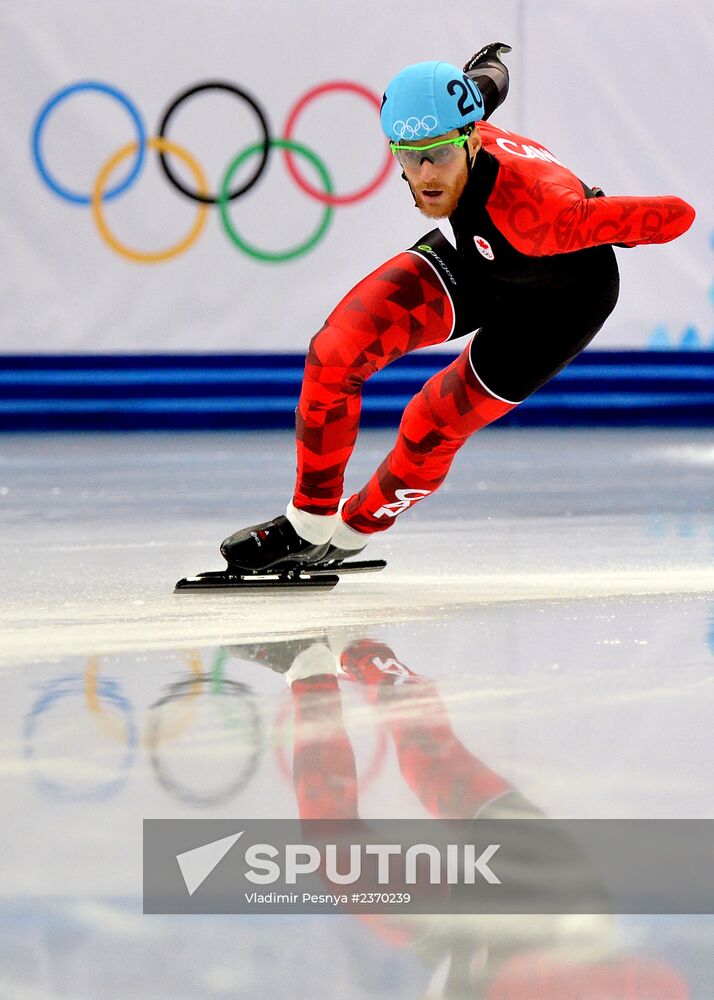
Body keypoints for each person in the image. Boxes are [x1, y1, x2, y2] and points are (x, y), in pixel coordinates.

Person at [220, 45, 695, 573]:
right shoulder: (463, 111)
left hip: (558, 304)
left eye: (440, 153)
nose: (425, 173)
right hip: (477, 256)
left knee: (432, 421)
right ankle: (308, 525)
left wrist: (594, 215)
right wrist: (492, 64)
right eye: (408, 155)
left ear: (471, 139)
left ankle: (358, 528)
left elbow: (679, 216)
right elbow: (490, 79)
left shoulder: (542, 212)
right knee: (336, 351)